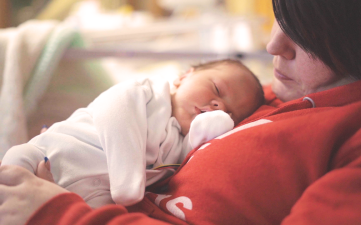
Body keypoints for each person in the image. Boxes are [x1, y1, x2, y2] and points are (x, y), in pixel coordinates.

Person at [1, 0, 361, 224]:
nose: (274, 45)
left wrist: (58, 214)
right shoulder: (279, 93)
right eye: (282, 19)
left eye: (310, 38)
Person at [0, 59, 265, 208]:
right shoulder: (146, 94)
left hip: (91, 196)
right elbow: (115, 113)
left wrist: (203, 134)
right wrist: (127, 183)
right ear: (184, 76)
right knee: (15, 164)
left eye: (229, 113)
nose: (218, 105)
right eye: (216, 89)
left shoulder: (184, 148)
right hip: (53, 154)